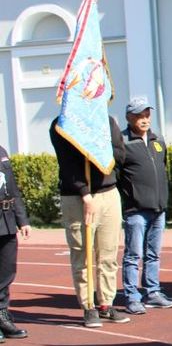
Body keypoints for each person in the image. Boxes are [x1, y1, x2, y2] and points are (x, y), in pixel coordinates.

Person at [50, 115, 130, 328]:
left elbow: (120, 154)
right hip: (77, 198)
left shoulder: (106, 120)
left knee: (108, 254)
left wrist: (96, 148)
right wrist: (85, 194)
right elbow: (68, 164)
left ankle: (106, 303)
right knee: (82, 254)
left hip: (108, 192)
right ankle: (88, 306)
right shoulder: (62, 124)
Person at [118, 97, 172, 315]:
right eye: (139, 116)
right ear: (129, 117)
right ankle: (132, 296)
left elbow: (162, 167)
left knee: (154, 254)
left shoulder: (157, 139)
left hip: (158, 208)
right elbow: (116, 175)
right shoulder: (123, 142)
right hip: (136, 210)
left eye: (147, 115)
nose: (144, 119)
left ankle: (153, 291)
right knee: (133, 255)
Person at [0, 142, 32, 341]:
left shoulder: (1, 152)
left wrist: (22, 220)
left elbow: (12, 189)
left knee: (6, 271)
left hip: (6, 220)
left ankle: (2, 315)